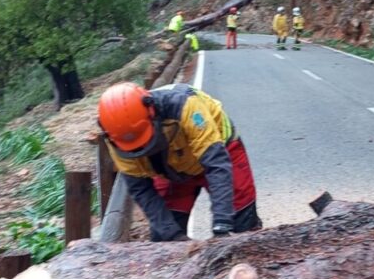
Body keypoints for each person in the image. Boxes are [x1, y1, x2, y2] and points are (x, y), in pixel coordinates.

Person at [97, 81, 262, 241]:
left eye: (142, 141)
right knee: (164, 234)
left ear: (151, 111)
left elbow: (216, 164)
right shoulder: (116, 138)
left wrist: (222, 223)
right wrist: (172, 235)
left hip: (222, 151)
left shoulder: (185, 107)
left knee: (241, 225)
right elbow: (140, 189)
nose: (139, 148)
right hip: (169, 168)